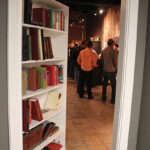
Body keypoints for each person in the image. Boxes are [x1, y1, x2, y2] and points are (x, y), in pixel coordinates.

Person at [101, 39, 118, 104]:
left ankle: (103, 97)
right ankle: (112, 100)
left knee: (104, 85)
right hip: (111, 71)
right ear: (112, 44)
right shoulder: (114, 52)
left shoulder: (103, 51)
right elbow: (115, 62)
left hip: (105, 70)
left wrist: (105, 65)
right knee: (113, 86)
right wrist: (115, 68)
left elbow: (102, 60)